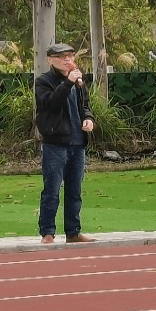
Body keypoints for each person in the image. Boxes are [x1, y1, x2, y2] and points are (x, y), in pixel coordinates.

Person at [35, 43, 96, 244]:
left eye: (70, 56)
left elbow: (85, 106)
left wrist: (88, 119)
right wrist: (68, 83)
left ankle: (73, 232)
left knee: (74, 190)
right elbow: (51, 104)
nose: (67, 60)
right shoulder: (44, 82)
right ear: (50, 60)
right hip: (55, 143)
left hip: (77, 143)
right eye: (61, 57)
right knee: (52, 190)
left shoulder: (78, 81)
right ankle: (48, 233)